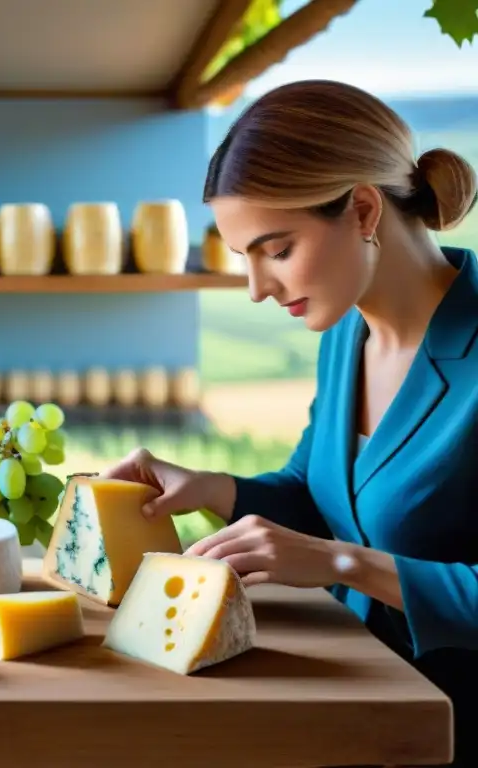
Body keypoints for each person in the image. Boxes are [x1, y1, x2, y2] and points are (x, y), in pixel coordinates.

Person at [103, 79, 477, 767]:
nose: (256, 288)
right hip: (351, 721)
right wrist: (212, 488)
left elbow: (341, 546)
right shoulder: (346, 337)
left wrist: (343, 564)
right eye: (243, 256)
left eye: (275, 250)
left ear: (364, 209)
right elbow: (317, 496)